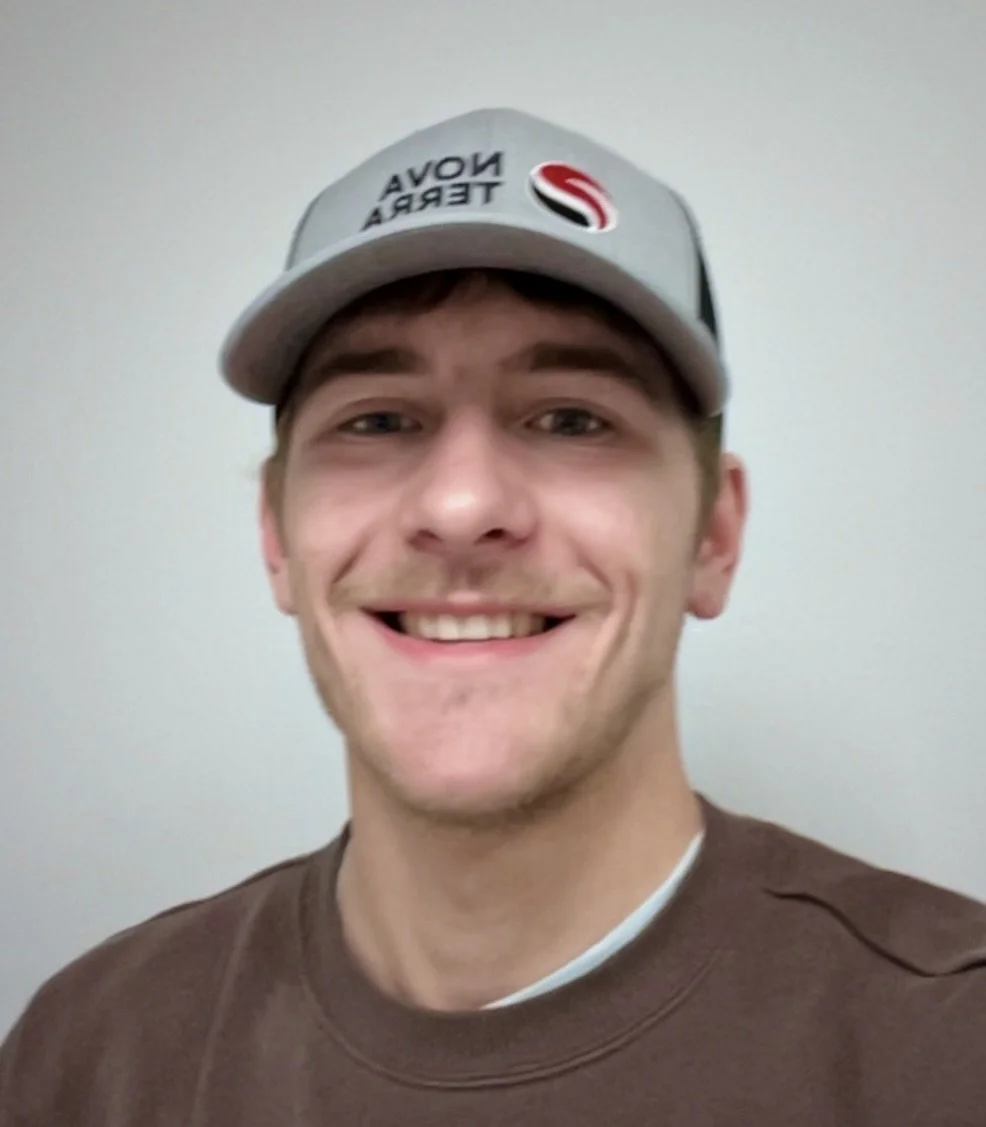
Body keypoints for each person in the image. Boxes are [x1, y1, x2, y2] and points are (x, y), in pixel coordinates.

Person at [1, 107, 984, 1126]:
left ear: (711, 537)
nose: (462, 507)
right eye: (378, 419)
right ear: (277, 536)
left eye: (570, 417)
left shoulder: (949, 1047)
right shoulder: (89, 1055)